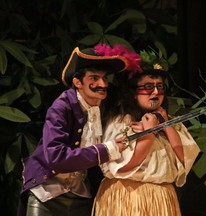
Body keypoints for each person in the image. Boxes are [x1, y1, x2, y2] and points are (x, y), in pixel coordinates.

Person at [17, 44, 131, 216]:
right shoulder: (61, 107)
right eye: (94, 78)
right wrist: (107, 149)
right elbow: (56, 157)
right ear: (78, 82)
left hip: (80, 194)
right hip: (47, 194)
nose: (102, 84)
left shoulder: (105, 104)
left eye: (105, 78)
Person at [92, 49, 200, 216]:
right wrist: (148, 134)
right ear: (134, 93)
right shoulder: (122, 122)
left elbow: (185, 159)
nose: (156, 92)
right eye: (148, 87)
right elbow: (125, 166)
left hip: (162, 198)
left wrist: (165, 125)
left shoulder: (169, 122)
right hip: (128, 196)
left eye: (160, 87)